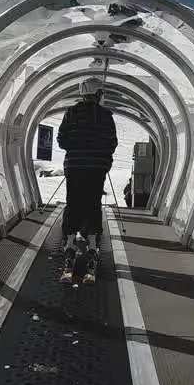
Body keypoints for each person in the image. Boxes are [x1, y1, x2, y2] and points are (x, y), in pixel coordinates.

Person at [57, 77, 118, 284]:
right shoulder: (106, 115)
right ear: (99, 94)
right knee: (93, 206)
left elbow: (62, 140)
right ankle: (92, 249)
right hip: (96, 169)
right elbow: (112, 142)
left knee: (73, 205)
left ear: (81, 93)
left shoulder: (71, 113)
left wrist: (77, 146)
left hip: (75, 167)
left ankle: (69, 251)